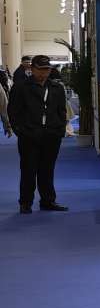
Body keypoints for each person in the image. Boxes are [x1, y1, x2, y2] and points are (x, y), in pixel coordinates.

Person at [9, 54, 68, 213]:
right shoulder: (20, 87)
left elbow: (62, 111)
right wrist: (20, 131)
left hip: (52, 135)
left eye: (47, 69)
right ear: (32, 69)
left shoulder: (57, 88)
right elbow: (13, 111)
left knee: (47, 170)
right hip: (29, 136)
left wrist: (60, 130)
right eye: (40, 69)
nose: (44, 72)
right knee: (28, 170)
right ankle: (25, 203)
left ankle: (48, 201)